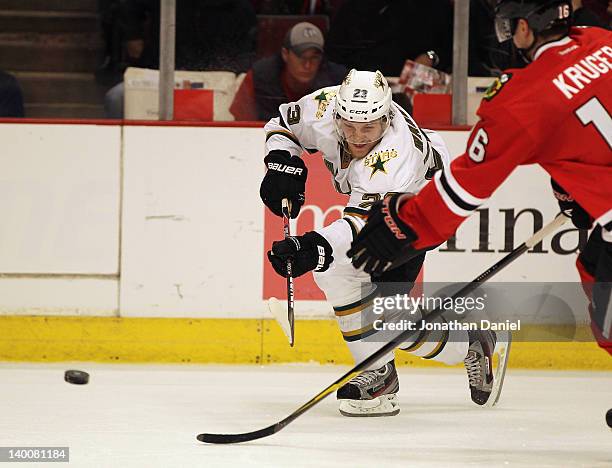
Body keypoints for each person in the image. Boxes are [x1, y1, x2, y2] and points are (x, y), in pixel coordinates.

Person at [347, 1, 612, 357]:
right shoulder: (603, 41)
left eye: (507, 26)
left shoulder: (524, 98)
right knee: (595, 261)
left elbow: (465, 186)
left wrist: (404, 221)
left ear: (523, 28)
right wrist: (579, 184)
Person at [260, 69, 511, 416]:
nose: (358, 137)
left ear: (387, 116)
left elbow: (364, 228)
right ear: (337, 114)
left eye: (368, 128)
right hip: (380, 210)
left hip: (417, 211)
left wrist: (312, 247)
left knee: (382, 313)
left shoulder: (395, 157)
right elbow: (283, 124)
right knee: (336, 276)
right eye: (349, 127)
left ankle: (470, 343)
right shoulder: (325, 106)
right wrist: (281, 163)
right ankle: (379, 373)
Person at [230, 22, 346, 121]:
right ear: (285, 54)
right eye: (301, 56)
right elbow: (242, 128)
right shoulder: (259, 76)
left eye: (314, 57)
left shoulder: (338, 81)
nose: (307, 65)